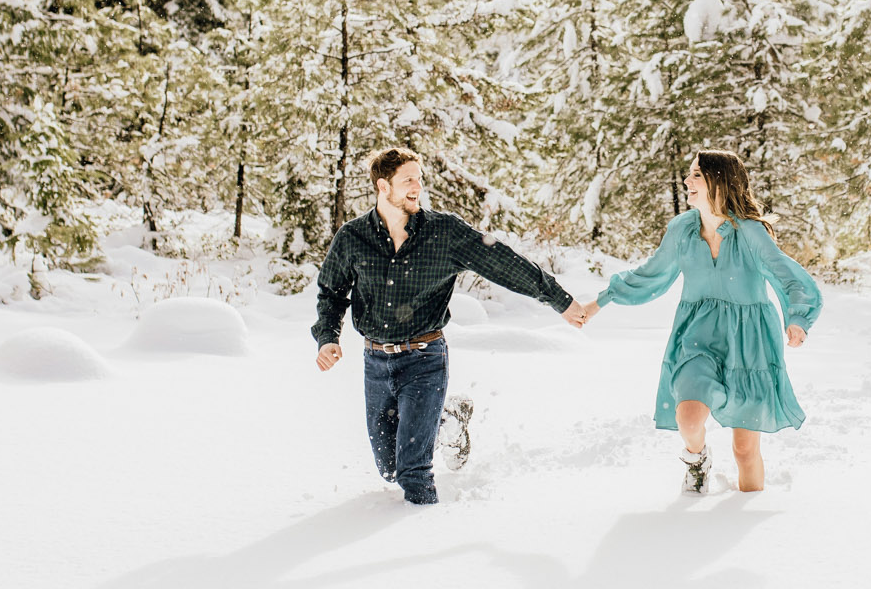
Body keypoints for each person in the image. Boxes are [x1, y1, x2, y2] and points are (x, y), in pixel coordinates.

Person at [312, 147, 595, 505]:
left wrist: (560, 300)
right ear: (383, 187)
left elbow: (504, 263)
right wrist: (327, 337)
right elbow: (331, 292)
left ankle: (426, 533)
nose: (418, 186)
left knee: (413, 473)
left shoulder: (443, 233)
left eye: (420, 178)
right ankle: (447, 419)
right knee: (389, 468)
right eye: (408, 180)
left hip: (424, 359)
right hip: (375, 362)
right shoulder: (353, 238)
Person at [578, 150, 820, 493]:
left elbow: (790, 278)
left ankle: (750, 516)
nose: (688, 181)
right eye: (689, 175)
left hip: (748, 344)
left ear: (719, 181)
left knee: (744, 449)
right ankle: (696, 461)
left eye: (696, 175)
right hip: (698, 338)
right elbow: (650, 275)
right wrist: (600, 301)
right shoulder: (682, 230)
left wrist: (797, 318)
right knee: (688, 418)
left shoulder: (750, 233)